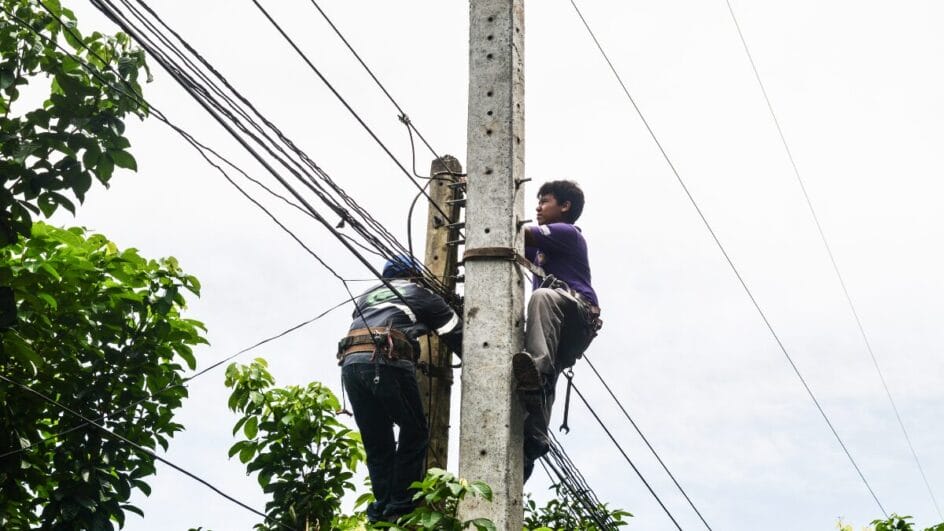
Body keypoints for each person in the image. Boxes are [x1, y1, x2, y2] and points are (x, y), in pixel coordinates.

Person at [337, 256, 462, 523]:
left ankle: (381, 508)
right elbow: (456, 332)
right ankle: (401, 506)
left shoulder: (367, 297)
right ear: (415, 277)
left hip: (350, 364)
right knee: (415, 431)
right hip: (386, 361)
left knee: (377, 439)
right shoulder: (420, 293)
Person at [514, 180, 602, 480]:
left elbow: (516, 232)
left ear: (564, 206)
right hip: (560, 328)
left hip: (577, 314)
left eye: (545, 201)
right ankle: (532, 441)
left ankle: (535, 373)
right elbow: (510, 246)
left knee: (542, 296)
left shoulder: (566, 233)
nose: (537, 207)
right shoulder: (543, 247)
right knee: (548, 374)